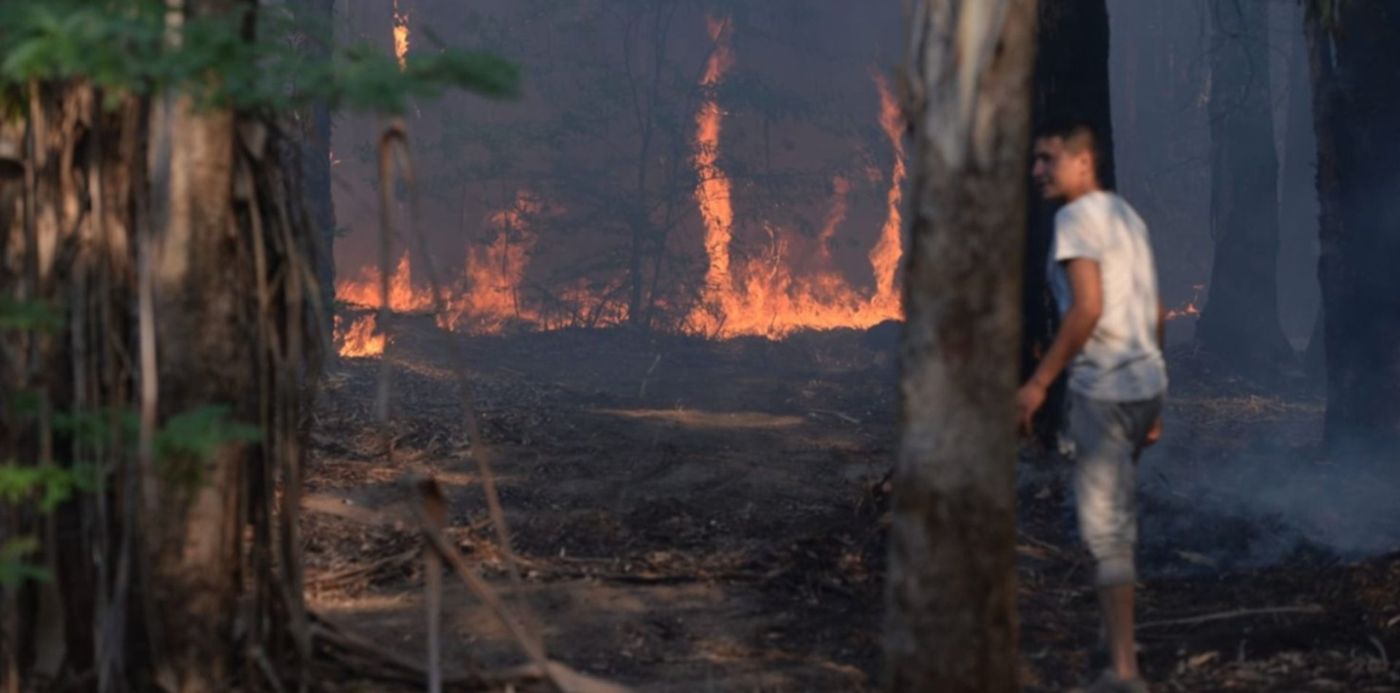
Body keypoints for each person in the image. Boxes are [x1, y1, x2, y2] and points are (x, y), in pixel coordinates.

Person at [1018, 121, 1167, 693]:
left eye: (1048, 160)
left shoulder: (1075, 220)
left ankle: (1124, 673)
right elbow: (1154, 309)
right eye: (1035, 161)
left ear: (1083, 163)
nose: (1038, 172)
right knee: (1116, 522)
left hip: (1103, 390)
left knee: (1108, 535)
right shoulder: (1127, 218)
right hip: (1141, 383)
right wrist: (1154, 397)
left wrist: (1038, 384)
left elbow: (1085, 309)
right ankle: (1115, 640)